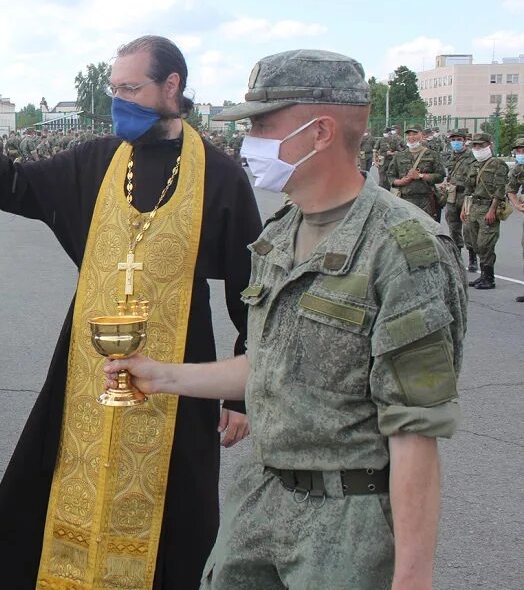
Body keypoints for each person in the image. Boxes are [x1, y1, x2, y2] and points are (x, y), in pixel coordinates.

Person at [113, 48, 467, 590]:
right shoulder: (280, 234)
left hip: (348, 526)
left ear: (321, 132)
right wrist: (160, 375)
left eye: (261, 125)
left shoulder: (402, 249)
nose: (247, 140)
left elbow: (414, 431)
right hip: (260, 501)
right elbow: (268, 365)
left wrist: (412, 578)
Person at [0, 35, 258, 589]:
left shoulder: (218, 174)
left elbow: (250, 288)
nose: (118, 100)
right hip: (86, 369)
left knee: (177, 518)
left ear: (172, 87)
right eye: (114, 88)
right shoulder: (97, 160)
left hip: (179, 377)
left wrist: (238, 392)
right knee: (46, 497)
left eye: (131, 88)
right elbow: (12, 185)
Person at [462, 132, 509, 290]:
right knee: (475, 243)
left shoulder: (498, 164)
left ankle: (489, 277)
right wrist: (465, 208)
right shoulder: (475, 165)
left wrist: (492, 210)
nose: (477, 148)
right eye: (474, 145)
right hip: (474, 207)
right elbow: (468, 189)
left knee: (485, 244)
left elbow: (500, 189)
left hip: (489, 207)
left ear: (489, 145)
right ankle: (483, 275)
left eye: (480, 145)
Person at [382, 125, 446, 219]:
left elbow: (440, 176)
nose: (411, 137)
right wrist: (400, 182)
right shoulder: (399, 156)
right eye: (408, 134)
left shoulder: (432, 155)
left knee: (427, 231)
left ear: (422, 135)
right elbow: (390, 176)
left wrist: (421, 176)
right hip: (405, 200)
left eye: (414, 134)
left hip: (426, 200)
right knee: (408, 232)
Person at [439, 129, 477, 271]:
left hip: (466, 195)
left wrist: (458, 184)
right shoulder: (450, 156)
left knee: (468, 229)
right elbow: (449, 174)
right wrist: (446, 183)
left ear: (464, 140)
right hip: (452, 195)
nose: (455, 142)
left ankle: (473, 258)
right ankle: (457, 256)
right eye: (453, 139)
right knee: (453, 228)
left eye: (458, 139)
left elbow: (474, 178)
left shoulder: (472, 157)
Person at [507, 136, 524, 303]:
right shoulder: (519, 169)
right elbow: (510, 189)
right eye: (518, 150)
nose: (521, 153)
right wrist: (517, 204)